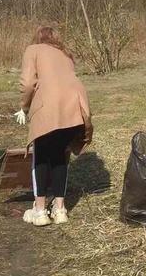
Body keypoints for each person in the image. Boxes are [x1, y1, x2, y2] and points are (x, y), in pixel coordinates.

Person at [16, 26, 92, 227]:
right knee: (60, 157)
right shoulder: (65, 54)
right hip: (74, 106)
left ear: (37, 37)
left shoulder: (33, 50)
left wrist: (24, 107)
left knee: (40, 157)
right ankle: (60, 210)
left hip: (48, 107)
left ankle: (40, 210)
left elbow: (27, 83)